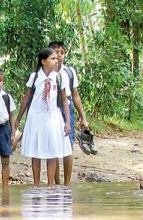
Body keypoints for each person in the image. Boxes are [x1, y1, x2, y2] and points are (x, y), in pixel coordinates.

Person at [14, 48, 72, 187]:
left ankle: (51, 185)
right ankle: (36, 184)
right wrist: (18, 118)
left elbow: (64, 100)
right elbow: (27, 97)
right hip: (36, 116)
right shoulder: (35, 77)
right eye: (52, 58)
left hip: (53, 116)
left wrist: (68, 122)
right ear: (43, 61)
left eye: (57, 58)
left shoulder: (59, 77)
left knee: (52, 150)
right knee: (36, 149)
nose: (56, 60)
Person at [48, 41, 95, 185]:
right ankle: (55, 183)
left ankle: (67, 184)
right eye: (56, 52)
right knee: (53, 147)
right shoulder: (45, 72)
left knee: (68, 145)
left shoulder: (70, 72)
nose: (59, 55)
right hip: (50, 109)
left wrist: (83, 118)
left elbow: (75, 95)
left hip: (66, 108)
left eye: (62, 52)